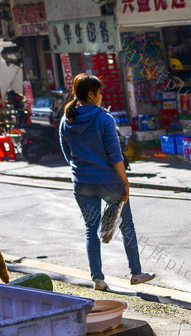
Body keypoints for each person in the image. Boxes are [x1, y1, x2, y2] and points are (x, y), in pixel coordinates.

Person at [59, 73, 154, 291]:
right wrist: (125, 182)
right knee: (126, 225)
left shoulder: (67, 119)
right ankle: (136, 273)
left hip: (81, 182)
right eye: (100, 92)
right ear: (91, 94)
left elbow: (66, 153)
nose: (102, 96)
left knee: (90, 230)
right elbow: (115, 155)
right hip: (109, 181)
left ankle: (98, 279)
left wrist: (80, 168)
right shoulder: (104, 118)